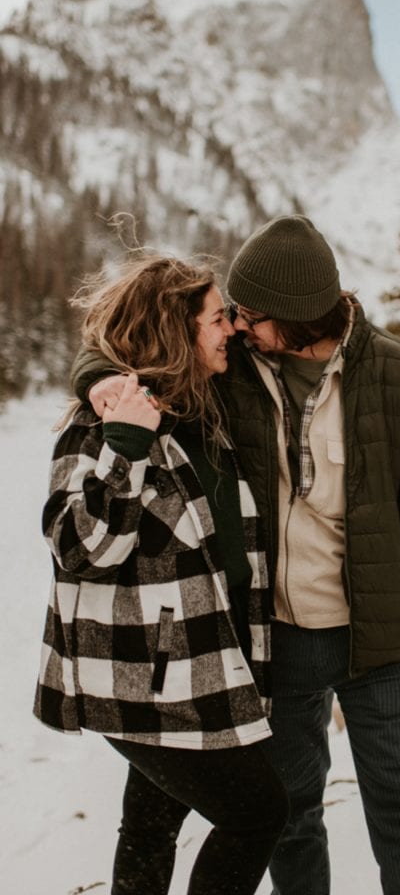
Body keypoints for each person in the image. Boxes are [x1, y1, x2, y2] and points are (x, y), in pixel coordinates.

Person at [75, 217, 400, 895]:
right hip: (273, 643)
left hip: (383, 645)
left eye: (250, 315)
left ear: (296, 318)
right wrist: (96, 379)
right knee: (289, 816)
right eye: (231, 313)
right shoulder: (228, 374)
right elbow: (138, 345)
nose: (234, 325)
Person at [35, 254, 288, 895]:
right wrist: (125, 448)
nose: (229, 327)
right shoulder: (104, 429)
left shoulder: (198, 412)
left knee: (150, 824)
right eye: (214, 318)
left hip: (195, 664)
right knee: (257, 814)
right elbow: (80, 547)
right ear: (176, 333)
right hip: (149, 676)